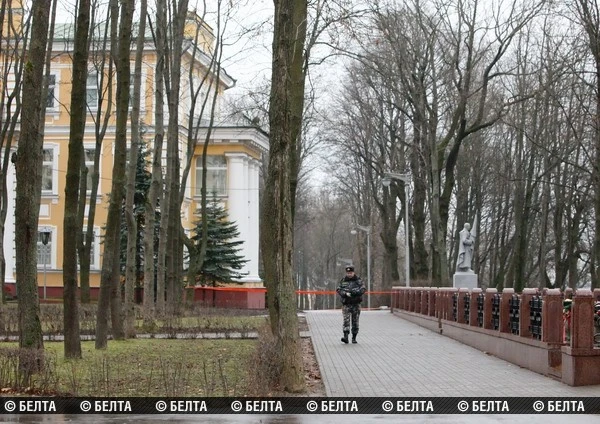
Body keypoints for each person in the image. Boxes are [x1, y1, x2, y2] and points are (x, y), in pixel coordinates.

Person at [336, 265, 366, 344]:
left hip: (356, 304)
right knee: (346, 321)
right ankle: (345, 337)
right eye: (348, 273)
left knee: (355, 321)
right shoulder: (343, 280)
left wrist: (356, 292)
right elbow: (338, 289)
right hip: (346, 304)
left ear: (353, 272)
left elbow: (363, 289)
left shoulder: (358, 280)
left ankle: (354, 337)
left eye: (350, 273)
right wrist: (345, 294)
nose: (349, 274)